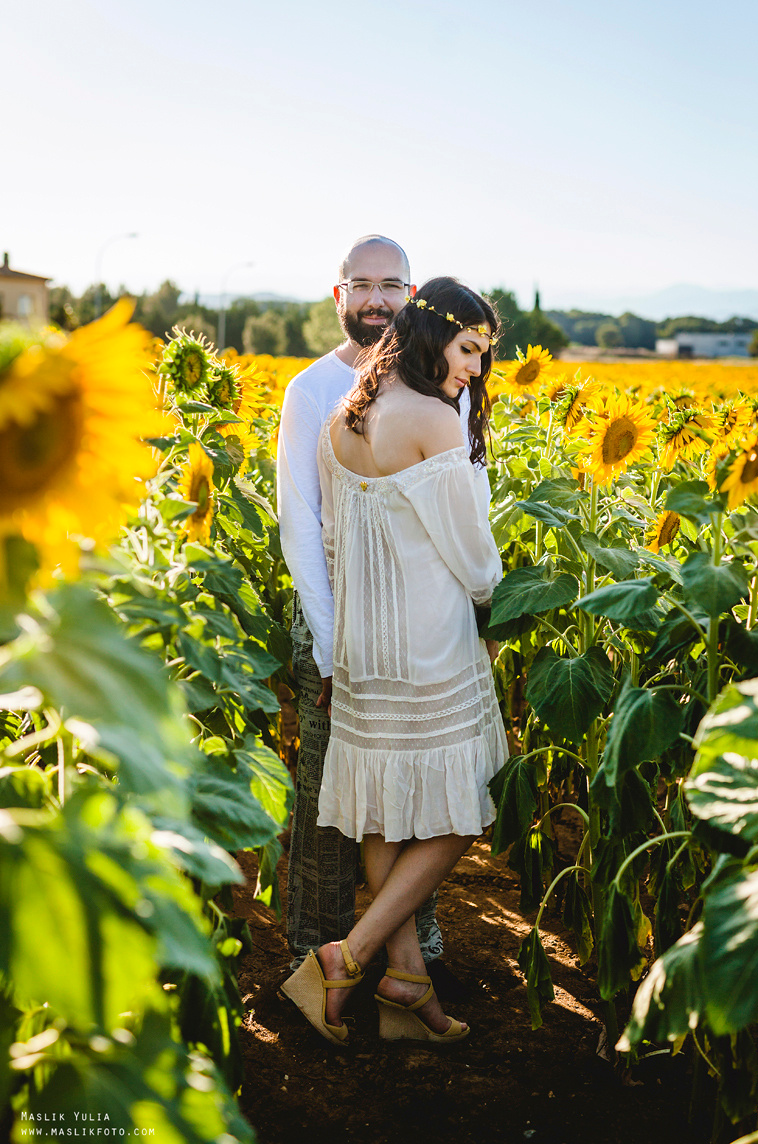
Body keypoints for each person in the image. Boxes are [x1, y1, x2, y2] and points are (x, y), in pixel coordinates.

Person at [279, 276, 507, 1045]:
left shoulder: (345, 415)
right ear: (432, 334)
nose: (475, 368)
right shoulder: (431, 418)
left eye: (484, 353)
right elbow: (472, 555)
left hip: (363, 641)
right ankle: (349, 958)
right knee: (459, 809)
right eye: (469, 348)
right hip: (429, 639)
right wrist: (498, 602)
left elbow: (334, 535)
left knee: (382, 809)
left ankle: (406, 988)